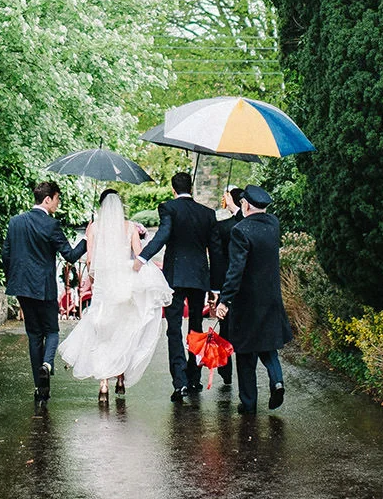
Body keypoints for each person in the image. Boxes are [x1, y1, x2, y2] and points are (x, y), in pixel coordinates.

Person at [58, 189, 173, 401]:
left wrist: (93, 279)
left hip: (103, 288)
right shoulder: (129, 227)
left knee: (103, 334)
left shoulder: (94, 228)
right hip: (124, 286)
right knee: (123, 332)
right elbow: (139, 257)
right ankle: (120, 378)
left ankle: (103, 385)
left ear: (102, 206)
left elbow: (91, 262)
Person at [134, 171, 223, 401]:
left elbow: (163, 235)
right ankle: (194, 378)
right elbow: (215, 251)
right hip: (199, 277)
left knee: (173, 328)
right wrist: (215, 288)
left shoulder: (168, 208)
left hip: (174, 277)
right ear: (191, 187)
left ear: (173, 189)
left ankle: (180, 382)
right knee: (196, 326)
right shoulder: (207, 214)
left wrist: (142, 258)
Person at [2, 180, 87, 403]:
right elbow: (69, 255)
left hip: (22, 286)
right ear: (47, 199)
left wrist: (13, 280)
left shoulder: (15, 222)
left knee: (33, 335)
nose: (58, 204)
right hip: (44, 287)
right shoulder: (51, 225)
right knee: (51, 331)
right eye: (57, 199)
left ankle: (40, 388)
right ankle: (47, 364)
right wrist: (86, 240)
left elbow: (6, 255)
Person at [215, 184, 293, 415]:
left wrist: (224, 301)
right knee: (268, 346)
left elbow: (235, 270)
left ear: (245, 204)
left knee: (246, 353)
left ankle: (248, 403)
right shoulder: (273, 224)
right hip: (270, 298)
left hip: (247, 301)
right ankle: (277, 380)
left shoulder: (240, 231)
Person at [210, 186, 244, 388]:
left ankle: (226, 370)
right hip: (241, 286)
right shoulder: (247, 223)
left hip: (228, 284)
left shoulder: (223, 228)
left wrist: (216, 290)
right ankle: (230, 370)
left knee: (227, 328)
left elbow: (218, 261)